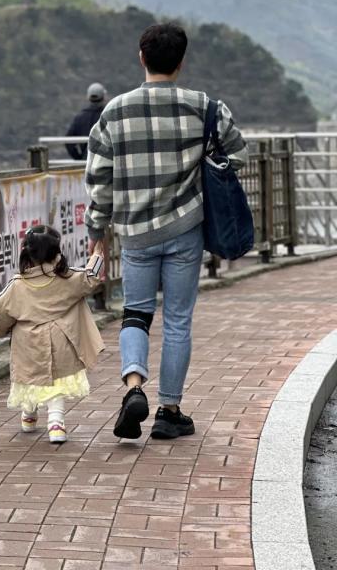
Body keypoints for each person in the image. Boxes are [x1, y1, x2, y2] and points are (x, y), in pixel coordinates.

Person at [85, 22, 248, 440]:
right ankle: (169, 411)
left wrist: (96, 230)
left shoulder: (115, 111)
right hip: (185, 229)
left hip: (135, 232)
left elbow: (99, 179)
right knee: (177, 321)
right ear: (181, 61)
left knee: (135, 313)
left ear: (142, 57)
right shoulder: (204, 106)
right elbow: (238, 155)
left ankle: (133, 387)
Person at [0, 225, 105, 444]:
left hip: (27, 344)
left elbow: (1, 312)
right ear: (57, 253)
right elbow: (89, 277)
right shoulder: (67, 279)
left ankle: (29, 414)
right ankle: (56, 423)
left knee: (29, 378)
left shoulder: (17, 285)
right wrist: (97, 254)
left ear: (26, 252)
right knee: (57, 382)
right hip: (61, 341)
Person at [66, 82, 107, 161]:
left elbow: (68, 141)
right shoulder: (107, 115)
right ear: (103, 97)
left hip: (86, 160)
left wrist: (78, 158)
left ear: (88, 97)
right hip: (105, 160)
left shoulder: (79, 117)